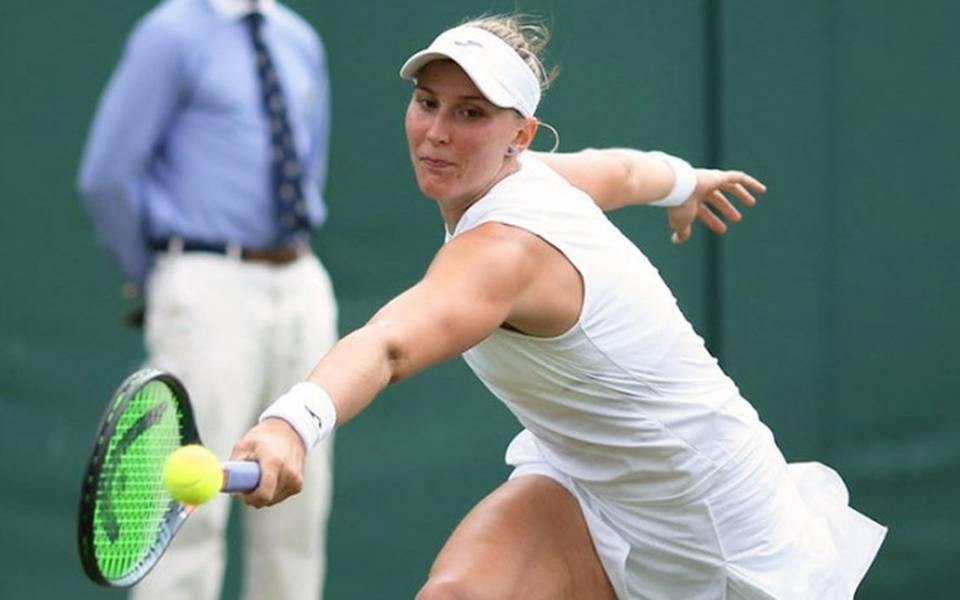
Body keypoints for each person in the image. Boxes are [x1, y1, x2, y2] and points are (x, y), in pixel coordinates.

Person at [232, 14, 887, 600]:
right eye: (426, 103)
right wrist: (688, 183)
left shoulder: (503, 252)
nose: (436, 132)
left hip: (707, 527)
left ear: (520, 133)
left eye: (470, 114)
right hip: (587, 482)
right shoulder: (538, 174)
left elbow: (390, 343)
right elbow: (626, 173)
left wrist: (292, 423)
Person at [77, 1, 335, 599]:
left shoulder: (299, 38)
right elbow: (107, 176)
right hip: (207, 280)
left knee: (298, 498)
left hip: (300, 281)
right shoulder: (170, 34)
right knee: (188, 502)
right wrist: (163, 273)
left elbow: (310, 159)